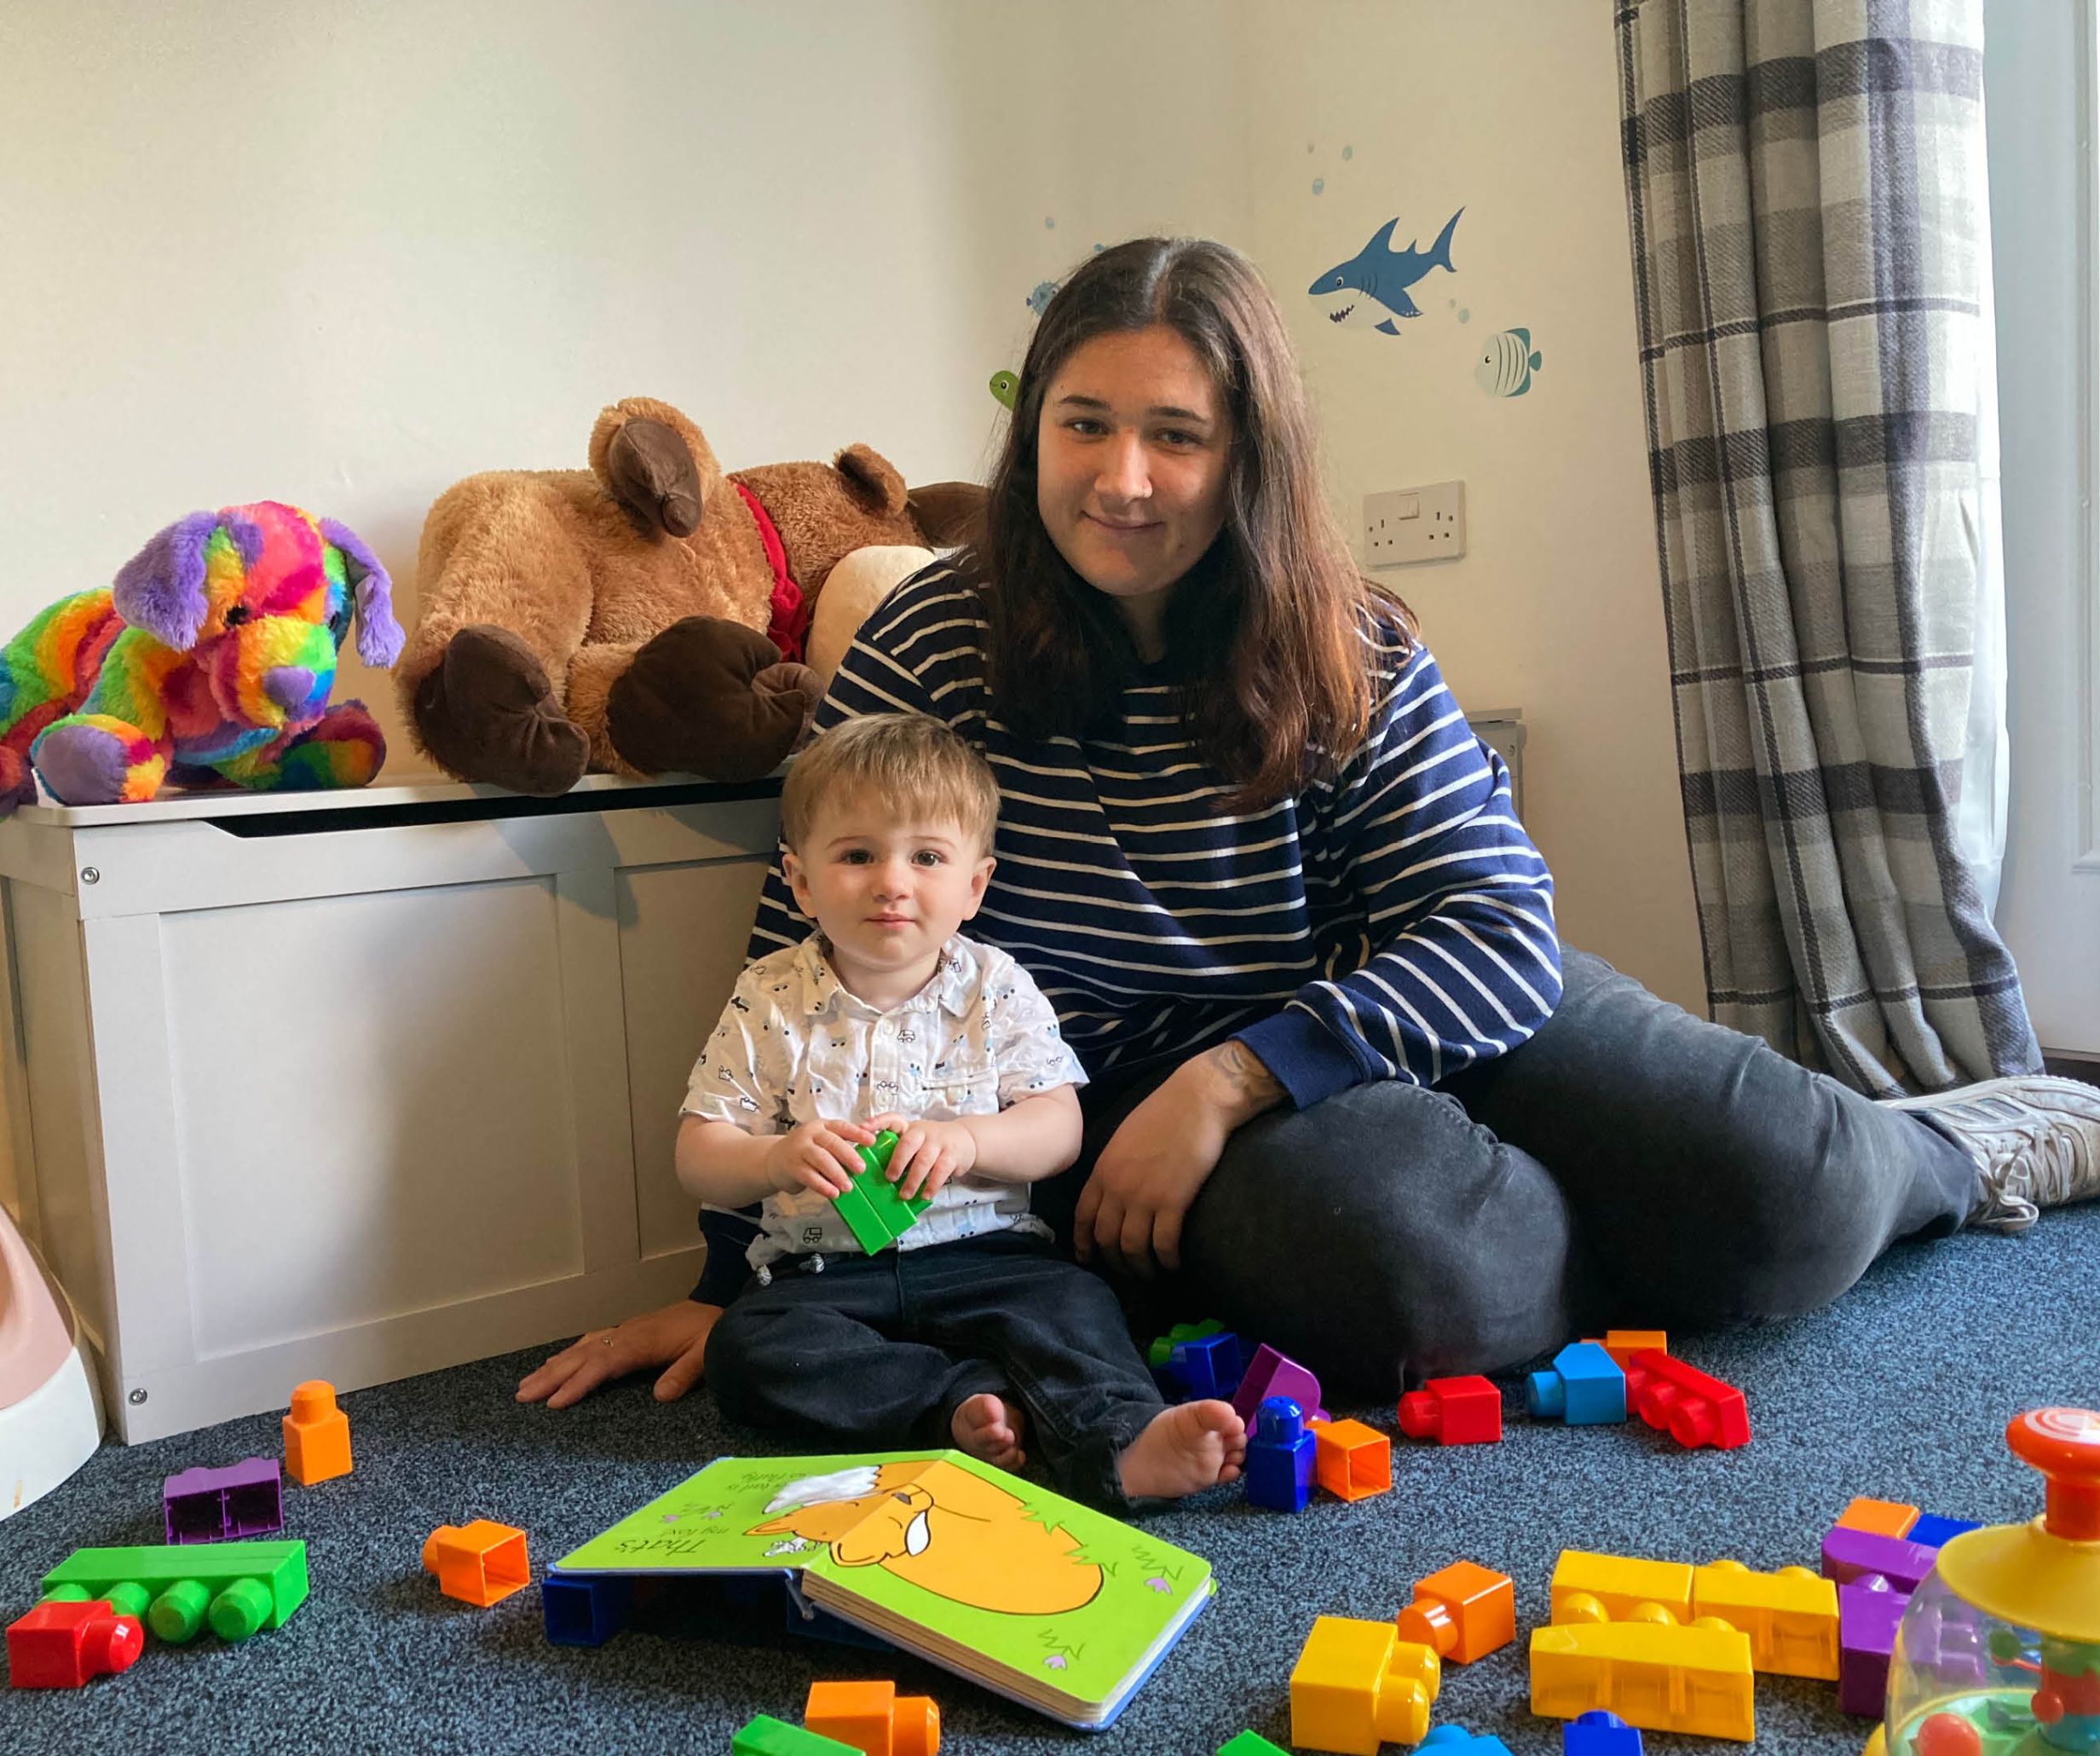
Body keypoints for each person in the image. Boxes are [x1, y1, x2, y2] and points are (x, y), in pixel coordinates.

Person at [520, 234, 2100, 1416]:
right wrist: (747, 1283)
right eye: (1081, 425)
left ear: (1245, 454)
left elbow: (1491, 935)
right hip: (1104, 1105)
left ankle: (1959, 1140)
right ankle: (1640, 1233)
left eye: (1175, 435)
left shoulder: (1344, 637)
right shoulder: (930, 642)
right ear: (1031, 437)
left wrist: (1232, 1076)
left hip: (1383, 1011)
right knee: (1415, 1283)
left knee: (1792, 1188)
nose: (1120, 478)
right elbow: (814, 965)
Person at [676, 711, 1245, 1506]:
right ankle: (955, 1407)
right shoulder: (772, 996)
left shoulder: (995, 985)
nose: (892, 881)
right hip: (824, 1274)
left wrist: (970, 1142)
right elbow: (698, 1149)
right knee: (747, 1349)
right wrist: (773, 1158)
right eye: (857, 855)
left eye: (927, 857)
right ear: (800, 881)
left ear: (974, 885)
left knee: (1077, 1308)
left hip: (992, 1258)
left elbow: (1058, 1128)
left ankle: (1122, 1439)